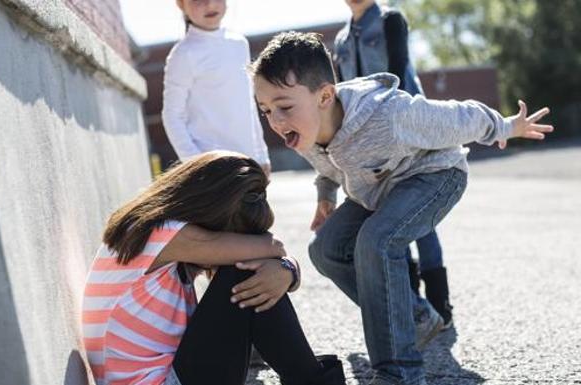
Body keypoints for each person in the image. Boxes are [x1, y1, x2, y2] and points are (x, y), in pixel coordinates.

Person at [250, 32, 553, 385]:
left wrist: (505, 126)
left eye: (284, 107)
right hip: (378, 189)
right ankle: (415, 316)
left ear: (325, 96)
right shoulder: (304, 128)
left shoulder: (388, 114)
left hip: (436, 176)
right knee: (325, 250)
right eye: (266, 110)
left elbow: (458, 117)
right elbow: (328, 166)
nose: (275, 121)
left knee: (376, 241)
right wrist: (325, 198)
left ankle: (400, 372)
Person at [82, 151, 346, 385]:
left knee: (251, 272)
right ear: (210, 213)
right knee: (245, 272)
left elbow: (275, 254)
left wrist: (287, 271)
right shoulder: (162, 234)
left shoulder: (154, 234)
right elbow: (273, 246)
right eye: (234, 237)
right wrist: (284, 267)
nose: (230, 250)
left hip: (169, 375)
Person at [334, 0, 453, 328]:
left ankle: (440, 303)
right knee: (390, 217)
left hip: (407, 130)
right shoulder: (341, 41)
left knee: (419, 217)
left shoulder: (391, 20)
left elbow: (399, 74)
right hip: (366, 144)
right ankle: (413, 303)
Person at [162, 0, 271, 175]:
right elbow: (172, 115)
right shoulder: (183, 54)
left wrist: (262, 155)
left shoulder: (239, 44)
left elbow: (248, 105)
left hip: (249, 163)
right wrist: (197, 165)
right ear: (181, 5)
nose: (210, 4)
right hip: (214, 170)